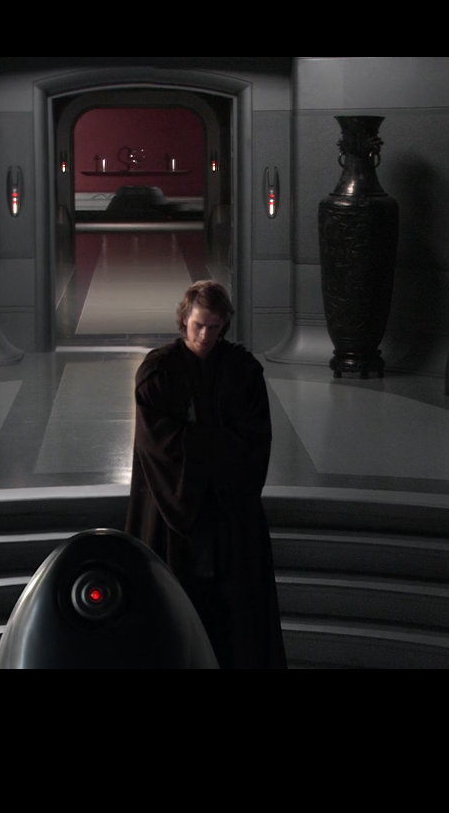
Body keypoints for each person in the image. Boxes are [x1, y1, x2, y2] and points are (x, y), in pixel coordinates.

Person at [125, 280, 287, 668]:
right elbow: (156, 443)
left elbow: (254, 440)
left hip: (227, 512)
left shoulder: (243, 371)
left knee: (232, 616)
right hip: (174, 512)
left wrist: (198, 444)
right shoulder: (158, 373)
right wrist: (214, 445)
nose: (205, 336)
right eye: (198, 325)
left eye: (214, 327)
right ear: (184, 320)